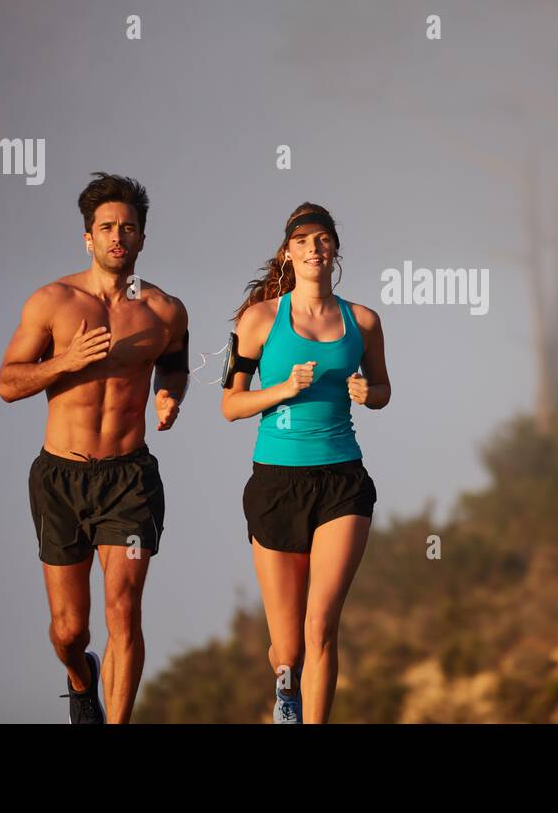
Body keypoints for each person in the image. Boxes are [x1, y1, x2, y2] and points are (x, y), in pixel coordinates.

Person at [0, 172, 189, 723]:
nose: (117, 237)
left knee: (124, 608)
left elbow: (174, 362)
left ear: (143, 239)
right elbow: (7, 384)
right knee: (69, 629)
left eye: (128, 228)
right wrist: (65, 362)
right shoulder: (52, 301)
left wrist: (170, 396)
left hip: (129, 479)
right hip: (60, 477)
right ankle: (82, 680)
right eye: (107, 227)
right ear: (88, 237)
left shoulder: (165, 311)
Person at [222, 202, 390, 724]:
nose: (315, 249)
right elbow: (230, 405)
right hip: (275, 484)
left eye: (323, 240)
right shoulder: (258, 321)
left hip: (342, 481)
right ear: (288, 253)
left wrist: (369, 392)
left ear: (334, 249)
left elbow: (383, 389)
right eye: (304, 241)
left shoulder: (362, 320)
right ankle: (285, 690)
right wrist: (282, 389)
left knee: (321, 627)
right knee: (288, 649)